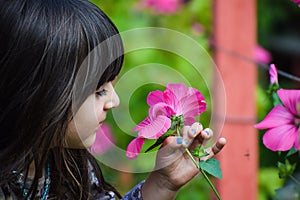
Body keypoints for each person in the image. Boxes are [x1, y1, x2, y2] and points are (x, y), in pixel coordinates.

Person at [0, 0, 226, 199]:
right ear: (34, 92)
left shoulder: (70, 167)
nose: (114, 101)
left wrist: (161, 185)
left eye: (112, 85)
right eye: (99, 91)